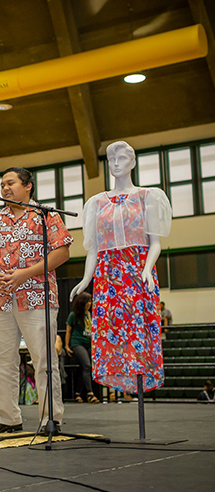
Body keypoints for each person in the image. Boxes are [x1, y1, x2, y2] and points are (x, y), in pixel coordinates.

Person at [0, 167, 73, 434]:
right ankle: (7, 418)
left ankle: (50, 419)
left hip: (37, 296)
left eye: (11, 183)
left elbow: (62, 252)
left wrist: (25, 274)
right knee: (0, 360)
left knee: (43, 360)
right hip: (0, 300)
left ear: (28, 186)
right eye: (2, 184)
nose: (5, 188)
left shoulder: (45, 215)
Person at [71, 140, 171, 395]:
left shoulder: (147, 197)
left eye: (122, 159)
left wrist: (147, 269)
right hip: (107, 276)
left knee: (139, 330)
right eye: (112, 160)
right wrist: (85, 280)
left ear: (133, 162)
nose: (116, 164)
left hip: (138, 273)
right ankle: (118, 375)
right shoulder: (96, 203)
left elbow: (155, 243)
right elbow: (93, 249)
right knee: (111, 331)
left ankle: (141, 374)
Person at [65, 292, 99, 404]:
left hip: (88, 342)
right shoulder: (74, 315)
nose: (89, 304)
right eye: (87, 301)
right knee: (87, 365)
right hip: (77, 342)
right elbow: (68, 331)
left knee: (85, 368)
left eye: (90, 301)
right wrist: (67, 345)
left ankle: (78, 393)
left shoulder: (90, 314)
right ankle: (90, 393)